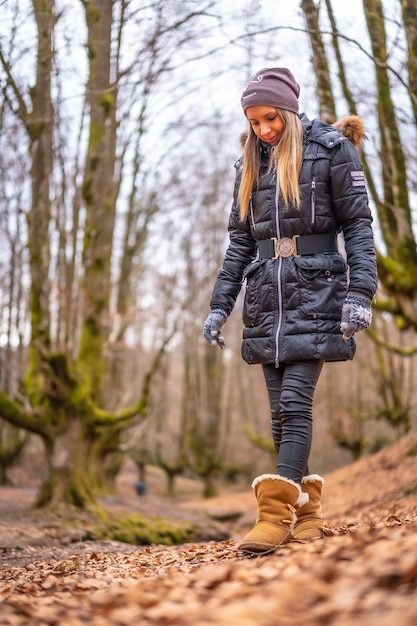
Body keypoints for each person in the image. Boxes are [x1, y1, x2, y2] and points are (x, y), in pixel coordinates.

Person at [203, 67, 378, 554]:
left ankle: (273, 516)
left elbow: (360, 227)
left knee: (296, 404)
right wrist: (220, 307)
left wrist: (360, 294)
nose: (263, 130)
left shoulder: (331, 149)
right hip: (265, 300)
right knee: (280, 416)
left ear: (289, 110)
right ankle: (307, 510)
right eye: (255, 122)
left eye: (270, 118)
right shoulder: (250, 163)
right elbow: (240, 244)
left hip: (318, 293)